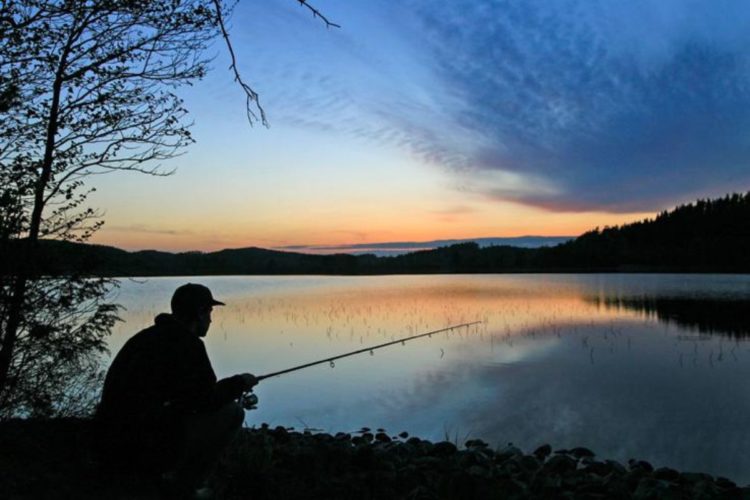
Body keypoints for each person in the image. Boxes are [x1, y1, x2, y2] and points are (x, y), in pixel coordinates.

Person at [96, 283, 257, 498]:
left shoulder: (144, 338)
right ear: (199, 313)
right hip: (142, 445)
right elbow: (204, 400)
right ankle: (186, 488)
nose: (211, 319)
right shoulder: (188, 345)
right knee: (233, 413)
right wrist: (240, 383)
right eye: (209, 312)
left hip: (107, 439)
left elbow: (188, 396)